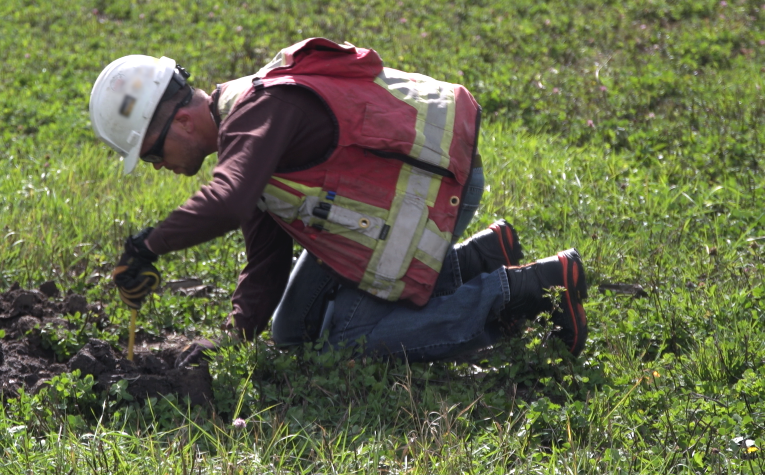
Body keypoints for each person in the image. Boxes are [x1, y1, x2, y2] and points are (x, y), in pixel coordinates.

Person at [91, 38, 588, 367]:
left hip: (435, 187)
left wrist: (148, 247)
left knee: (350, 339)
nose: (157, 166)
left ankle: (532, 289)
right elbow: (266, 260)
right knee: (292, 331)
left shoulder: (257, 112)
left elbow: (228, 201)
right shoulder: (244, 137)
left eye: (152, 154)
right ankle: (479, 258)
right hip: (394, 200)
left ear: (179, 123)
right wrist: (233, 337)